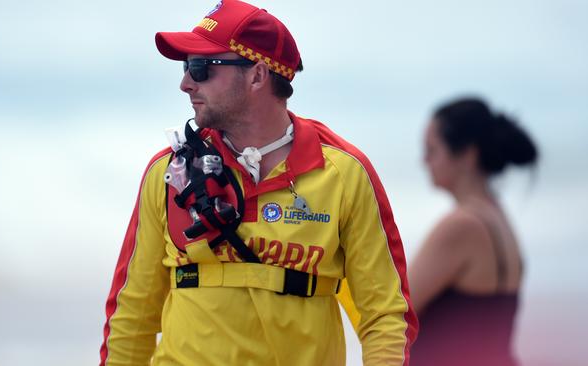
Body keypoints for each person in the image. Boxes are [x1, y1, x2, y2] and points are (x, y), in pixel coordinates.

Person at [99, 1, 417, 365]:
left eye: (200, 68)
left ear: (257, 75)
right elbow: (131, 315)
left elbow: (386, 316)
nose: (185, 83)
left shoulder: (344, 173)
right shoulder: (168, 171)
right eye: (187, 67)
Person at [409, 97, 538, 366]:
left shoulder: (462, 226)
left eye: (432, 150)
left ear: (468, 154)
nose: (424, 161)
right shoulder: (496, 216)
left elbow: (392, 309)